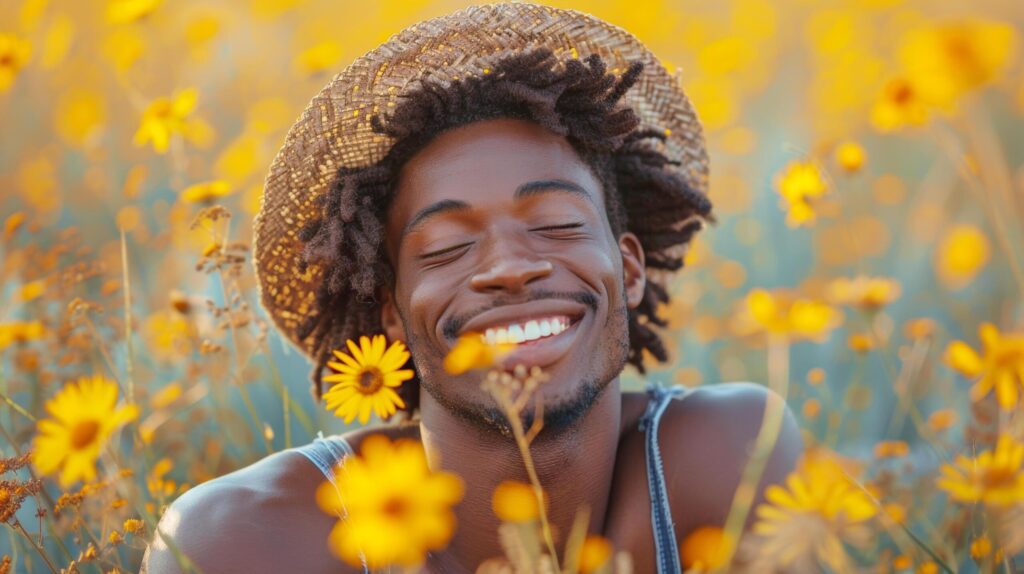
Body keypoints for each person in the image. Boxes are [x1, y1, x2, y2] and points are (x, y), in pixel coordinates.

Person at [143, 4, 802, 573]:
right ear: (392, 315)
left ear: (628, 271)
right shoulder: (244, 540)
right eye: (448, 248)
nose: (510, 268)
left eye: (556, 224)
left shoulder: (732, 455)